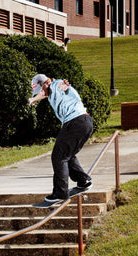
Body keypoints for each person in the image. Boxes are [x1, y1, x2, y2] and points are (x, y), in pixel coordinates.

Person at [28, 74, 93, 208]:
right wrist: (33, 99)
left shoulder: (56, 84)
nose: (41, 93)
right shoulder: (49, 91)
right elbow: (45, 95)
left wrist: (63, 85)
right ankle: (83, 182)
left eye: (41, 89)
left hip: (74, 122)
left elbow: (60, 85)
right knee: (67, 155)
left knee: (58, 157)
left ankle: (60, 193)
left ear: (46, 83)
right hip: (84, 122)